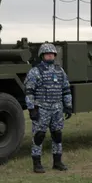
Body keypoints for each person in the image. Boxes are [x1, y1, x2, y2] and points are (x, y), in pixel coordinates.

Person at [25, 43, 74, 173]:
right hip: (42, 108)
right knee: (39, 136)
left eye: (52, 54)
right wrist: (32, 109)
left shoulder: (60, 71)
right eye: (47, 54)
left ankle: (57, 162)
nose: (50, 56)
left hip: (57, 109)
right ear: (42, 56)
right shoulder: (35, 72)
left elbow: (66, 89)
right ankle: (37, 163)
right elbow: (29, 91)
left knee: (57, 135)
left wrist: (68, 106)